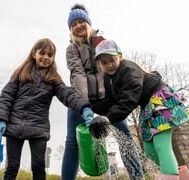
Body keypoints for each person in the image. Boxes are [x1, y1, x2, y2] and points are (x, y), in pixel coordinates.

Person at [61, 4, 144, 180]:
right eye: (73, 24)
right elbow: (77, 73)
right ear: (71, 29)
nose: (78, 26)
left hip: (107, 100)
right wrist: (84, 106)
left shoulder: (102, 42)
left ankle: (137, 177)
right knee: (72, 143)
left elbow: (118, 65)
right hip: (80, 100)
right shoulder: (71, 49)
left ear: (88, 23)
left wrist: (142, 73)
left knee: (125, 136)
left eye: (81, 21)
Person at [0, 38, 94, 180]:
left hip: (38, 128)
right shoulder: (20, 74)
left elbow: (68, 95)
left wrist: (84, 108)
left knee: (39, 166)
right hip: (14, 126)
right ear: (34, 53)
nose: (46, 57)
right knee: (12, 167)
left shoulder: (53, 79)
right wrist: (0, 119)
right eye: (43, 53)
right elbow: (6, 96)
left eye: (50, 55)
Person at [92, 39, 189, 180]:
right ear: (99, 64)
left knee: (160, 145)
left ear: (120, 57)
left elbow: (129, 99)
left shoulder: (128, 69)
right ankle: (182, 177)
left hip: (160, 100)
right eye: (104, 62)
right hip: (147, 107)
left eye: (112, 60)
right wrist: (90, 106)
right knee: (150, 150)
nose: (109, 65)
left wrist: (108, 118)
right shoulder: (109, 79)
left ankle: (170, 176)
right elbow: (111, 101)